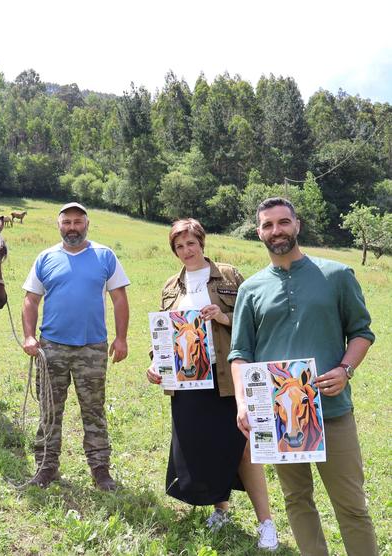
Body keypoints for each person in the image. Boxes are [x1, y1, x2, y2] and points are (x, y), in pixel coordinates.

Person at [229, 197, 378, 555]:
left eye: (283, 222)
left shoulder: (337, 276)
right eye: (268, 225)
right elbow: (239, 354)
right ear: (259, 232)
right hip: (278, 417)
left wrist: (345, 370)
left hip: (332, 411)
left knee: (352, 505)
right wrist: (243, 403)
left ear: (297, 225)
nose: (276, 231)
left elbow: (361, 331)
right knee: (297, 500)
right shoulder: (251, 289)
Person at [146, 219, 278, 550]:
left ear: (202, 243)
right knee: (206, 445)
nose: (186, 251)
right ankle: (221, 510)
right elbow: (165, 336)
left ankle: (267, 523)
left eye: (191, 243)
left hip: (228, 378)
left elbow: (256, 324)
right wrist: (155, 363)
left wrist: (222, 317)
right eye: (179, 246)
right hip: (188, 384)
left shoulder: (231, 276)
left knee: (243, 448)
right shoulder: (170, 287)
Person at [21, 202, 129, 490]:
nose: (72, 227)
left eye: (78, 222)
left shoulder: (104, 256)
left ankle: (100, 471)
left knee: (93, 410)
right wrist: (30, 336)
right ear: (58, 226)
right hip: (51, 347)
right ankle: (46, 468)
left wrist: (121, 338)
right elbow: (31, 300)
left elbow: (119, 298)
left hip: (92, 348)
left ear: (87, 224)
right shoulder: (45, 258)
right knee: (50, 411)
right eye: (66, 222)